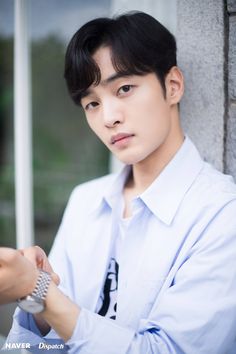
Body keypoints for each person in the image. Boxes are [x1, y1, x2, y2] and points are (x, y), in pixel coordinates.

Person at [1, 11, 236, 354]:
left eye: (124, 88)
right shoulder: (86, 200)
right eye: (92, 103)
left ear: (172, 86)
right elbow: (30, 348)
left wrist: (40, 292)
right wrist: (37, 308)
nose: (109, 117)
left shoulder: (221, 214)